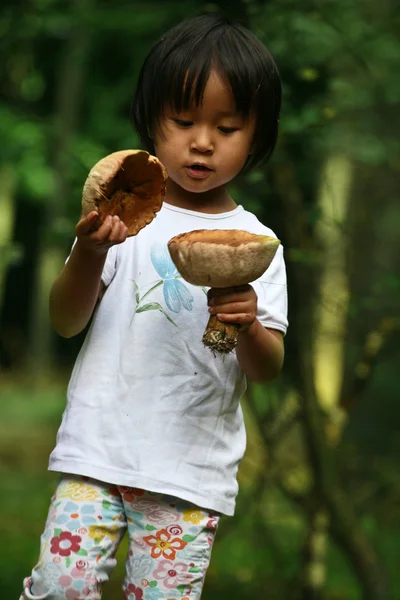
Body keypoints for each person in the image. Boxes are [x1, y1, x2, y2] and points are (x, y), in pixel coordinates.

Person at [20, 13, 288, 600]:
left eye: (228, 126)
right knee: (58, 588)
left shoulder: (259, 244)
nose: (202, 141)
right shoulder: (124, 215)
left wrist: (247, 326)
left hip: (187, 474)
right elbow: (66, 321)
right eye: (184, 119)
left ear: (258, 135)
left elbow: (267, 367)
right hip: (97, 453)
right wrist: (90, 253)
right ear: (151, 118)